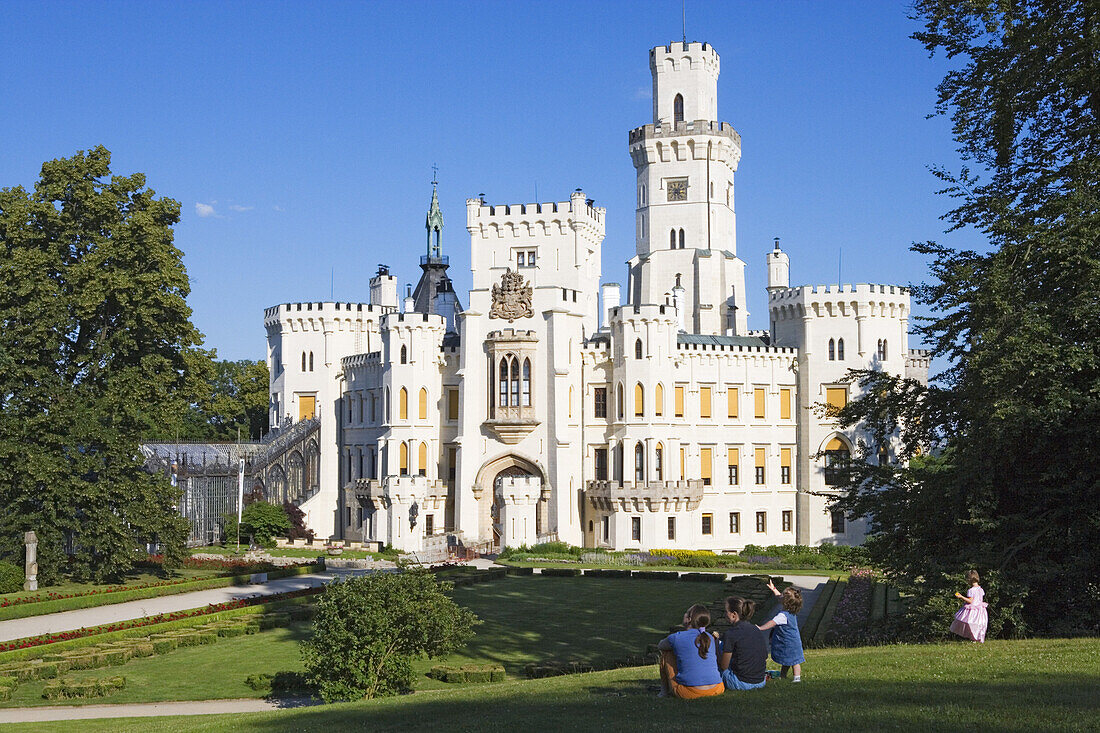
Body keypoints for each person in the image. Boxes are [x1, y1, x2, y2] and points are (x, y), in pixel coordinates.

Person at [656, 604, 724, 698]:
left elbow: (660, 645)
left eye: (686, 613)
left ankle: (663, 692)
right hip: (717, 688)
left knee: (667, 653)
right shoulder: (710, 638)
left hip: (690, 692)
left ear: (689, 619)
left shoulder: (677, 637)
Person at [714, 597, 768, 691]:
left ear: (734, 614)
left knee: (714, 666)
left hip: (741, 682)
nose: (725, 614)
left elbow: (723, 666)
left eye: (726, 611)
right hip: (760, 681)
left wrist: (715, 645)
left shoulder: (731, 634)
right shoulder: (756, 630)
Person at [758, 580, 805, 682]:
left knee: (795, 662)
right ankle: (783, 676)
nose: (780, 596)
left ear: (785, 602)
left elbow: (772, 622)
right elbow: (779, 596)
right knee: (788, 660)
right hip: (792, 641)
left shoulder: (782, 615)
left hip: (789, 642)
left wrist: (761, 628)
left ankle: (797, 679)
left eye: (783, 596)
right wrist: (774, 589)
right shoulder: (790, 610)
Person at [950, 569, 989, 642]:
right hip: (980, 609)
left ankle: (974, 638)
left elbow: (971, 601)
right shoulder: (980, 589)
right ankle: (976, 638)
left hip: (973, 610)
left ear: (969, 580)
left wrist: (961, 597)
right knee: (978, 624)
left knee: (971, 623)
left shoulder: (971, 590)